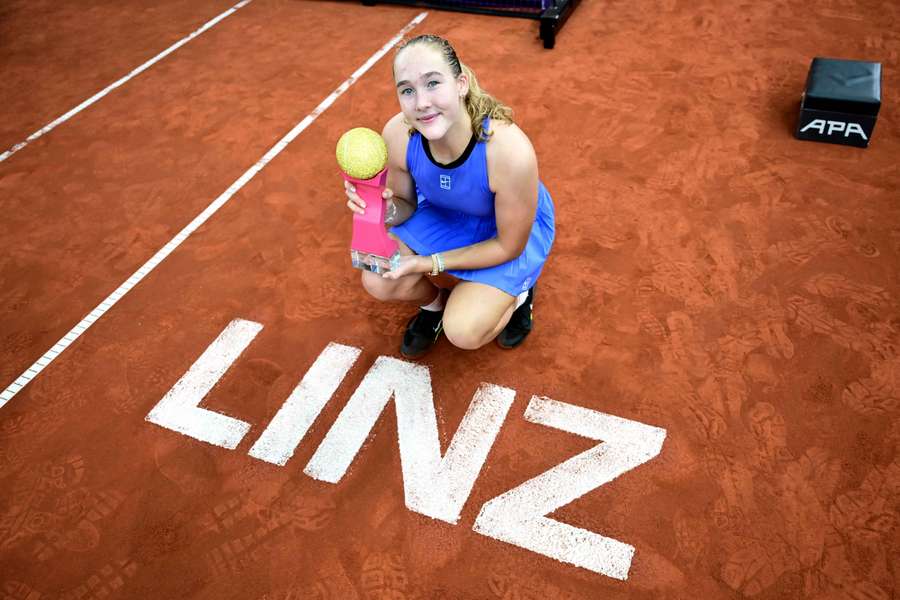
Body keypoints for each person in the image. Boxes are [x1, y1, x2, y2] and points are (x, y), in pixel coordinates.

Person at [344, 34, 555, 358]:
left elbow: (508, 245)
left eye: (432, 83)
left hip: (503, 229)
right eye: (407, 90)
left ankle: (520, 295)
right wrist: (380, 207)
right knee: (378, 278)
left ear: (461, 83)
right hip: (444, 212)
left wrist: (428, 263)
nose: (421, 103)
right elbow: (406, 205)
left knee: (465, 331)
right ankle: (434, 307)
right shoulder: (398, 134)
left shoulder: (509, 152)